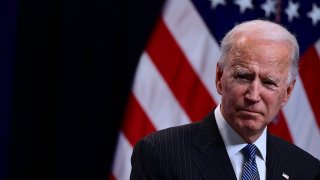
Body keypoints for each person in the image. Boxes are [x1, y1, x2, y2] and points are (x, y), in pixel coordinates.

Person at [130, 19, 320, 179]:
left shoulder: (308, 171)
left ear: (287, 93)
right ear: (219, 78)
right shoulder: (160, 154)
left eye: (268, 82)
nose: (253, 96)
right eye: (243, 76)